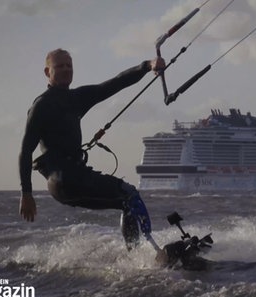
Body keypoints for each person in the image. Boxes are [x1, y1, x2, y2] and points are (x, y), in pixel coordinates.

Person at [18, 48, 165, 250]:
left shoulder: (77, 98)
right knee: (130, 195)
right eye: (59, 66)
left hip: (73, 179)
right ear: (47, 72)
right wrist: (26, 193)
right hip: (64, 179)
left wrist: (147, 66)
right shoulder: (41, 106)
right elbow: (26, 151)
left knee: (126, 201)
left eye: (69, 65)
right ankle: (143, 255)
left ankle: (138, 256)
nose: (66, 69)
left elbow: (115, 83)